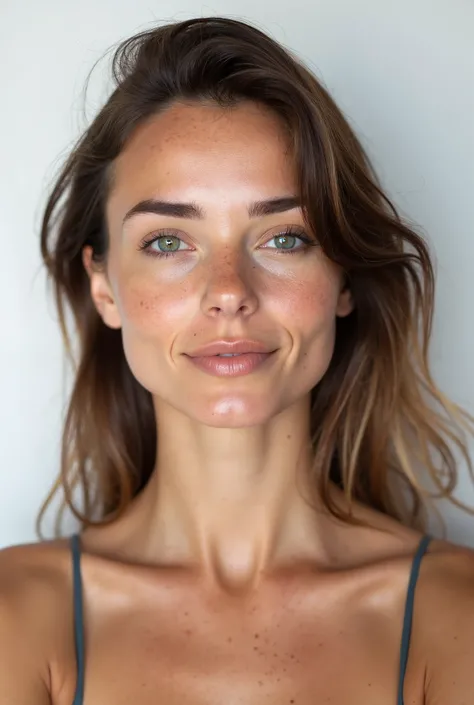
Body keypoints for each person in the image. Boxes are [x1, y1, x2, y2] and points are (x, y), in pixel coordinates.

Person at [1, 15, 473, 705]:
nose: (228, 291)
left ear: (343, 277)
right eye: (169, 241)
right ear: (104, 286)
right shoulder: (18, 617)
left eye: (284, 238)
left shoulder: (454, 617)